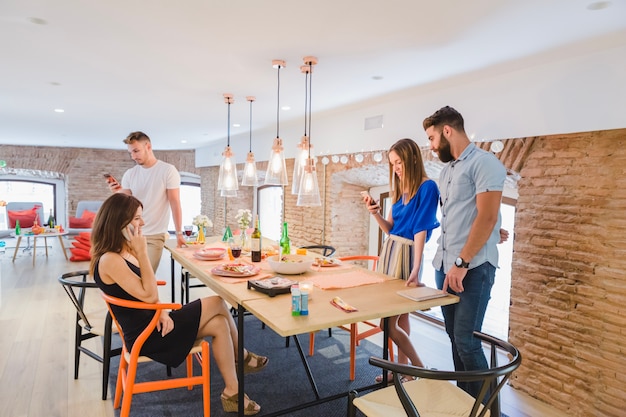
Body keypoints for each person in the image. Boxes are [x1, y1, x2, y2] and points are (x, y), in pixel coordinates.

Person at [90, 193, 267, 415]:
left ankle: (232, 392)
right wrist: (143, 253)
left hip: (155, 321)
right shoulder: (110, 260)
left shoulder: (120, 253)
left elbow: (144, 294)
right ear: (119, 222)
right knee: (217, 301)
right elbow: (148, 293)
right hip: (147, 336)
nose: (143, 223)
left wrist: (161, 311)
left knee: (220, 323)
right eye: (137, 218)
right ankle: (241, 356)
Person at [423, 105, 506, 398]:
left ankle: (486, 408)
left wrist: (462, 261)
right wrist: (493, 231)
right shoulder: (446, 171)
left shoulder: (485, 163)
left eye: (433, 139)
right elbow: (463, 215)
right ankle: (465, 403)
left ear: (448, 131)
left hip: (472, 268)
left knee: (466, 340)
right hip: (444, 266)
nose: (432, 147)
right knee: (455, 340)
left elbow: (487, 216)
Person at [363, 138, 440, 383]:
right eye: (393, 163)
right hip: (390, 251)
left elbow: (420, 229)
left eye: (399, 161)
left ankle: (418, 368)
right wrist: (374, 213)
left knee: (388, 322)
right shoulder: (399, 189)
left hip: (406, 254)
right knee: (400, 317)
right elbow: (390, 229)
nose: (396, 167)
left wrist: (416, 267)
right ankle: (402, 371)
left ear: (413, 158)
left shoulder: (428, 188)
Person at [108, 131, 186, 273]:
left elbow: (175, 202)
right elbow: (127, 204)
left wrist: (179, 233)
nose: (133, 156)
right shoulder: (130, 174)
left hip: (154, 235)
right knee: (127, 276)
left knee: (145, 276)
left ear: (148, 146)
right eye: (131, 153)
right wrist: (117, 192)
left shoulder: (168, 170)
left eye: (136, 151)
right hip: (129, 233)